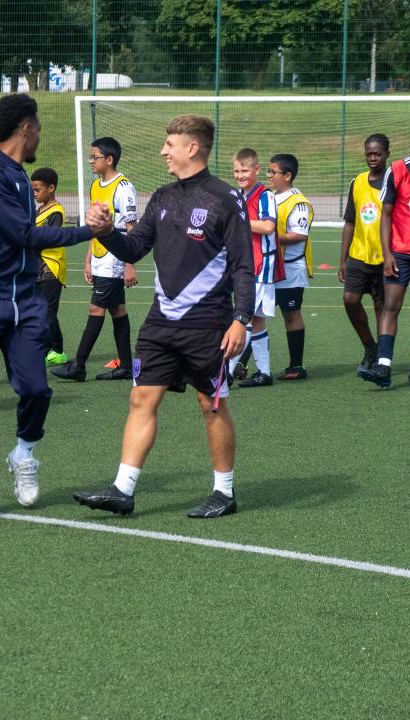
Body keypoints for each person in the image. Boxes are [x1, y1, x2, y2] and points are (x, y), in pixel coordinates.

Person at [73, 114, 253, 519]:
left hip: (208, 324)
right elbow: (134, 248)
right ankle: (123, 489)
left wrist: (241, 318)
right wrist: (104, 233)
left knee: (211, 403)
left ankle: (224, 493)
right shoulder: (163, 196)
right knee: (141, 397)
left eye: (169, 144)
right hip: (160, 323)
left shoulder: (226, 198)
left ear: (192, 148)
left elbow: (244, 265)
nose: (163, 151)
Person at [0, 94, 112, 522]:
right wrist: (87, 231)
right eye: (38, 126)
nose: (40, 133)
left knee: (37, 388)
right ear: (25, 128)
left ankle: (24, 453)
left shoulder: (21, 177)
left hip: (24, 299)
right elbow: (23, 234)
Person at [51, 136, 137, 382]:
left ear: (109, 159)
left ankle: (78, 365)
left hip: (115, 257)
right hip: (100, 255)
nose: (91, 161)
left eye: (95, 157)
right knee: (117, 310)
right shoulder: (96, 185)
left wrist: (129, 264)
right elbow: (94, 226)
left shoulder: (124, 187)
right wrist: (89, 259)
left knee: (96, 307)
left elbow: (132, 228)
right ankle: (127, 366)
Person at [360, 135, 410, 389]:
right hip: (399, 252)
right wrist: (387, 253)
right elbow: (386, 215)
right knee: (391, 305)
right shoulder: (397, 170)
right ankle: (383, 366)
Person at [229, 147, 280, 387]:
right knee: (257, 319)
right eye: (236, 171)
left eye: (245, 170)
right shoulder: (238, 195)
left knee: (243, 317)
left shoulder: (264, 195)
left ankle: (225, 372)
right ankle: (265, 373)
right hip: (245, 265)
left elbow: (268, 227)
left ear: (256, 170)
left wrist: (238, 223)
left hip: (260, 265)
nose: (240, 175)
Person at [340, 134, 389, 375]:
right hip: (359, 254)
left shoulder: (395, 182)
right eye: (369, 153)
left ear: (387, 154)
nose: (372, 157)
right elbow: (350, 221)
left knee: (381, 306)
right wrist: (343, 259)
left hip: (385, 256)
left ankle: (382, 357)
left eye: (377, 153)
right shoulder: (357, 182)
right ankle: (370, 346)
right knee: (350, 299)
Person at [269, 153, 313, 381]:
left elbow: (299, 235)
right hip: (268, 267)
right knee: (254, 314)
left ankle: (297, 365)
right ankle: (241, 365)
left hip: (289, 269)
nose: (269, 176)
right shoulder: (269, 197)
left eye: (273, 172)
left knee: (290, 314)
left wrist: (269, 235)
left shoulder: (299, 202)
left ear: (287, 175)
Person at [30, 167, 68, 367]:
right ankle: (55, 349)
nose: (34, 194)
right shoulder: (39, 210)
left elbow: (50, 237)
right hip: (37, 269)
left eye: (37, 190)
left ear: (51, 188)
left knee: (47, 312)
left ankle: (51, 350)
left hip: (51, 268)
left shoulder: (56, 211)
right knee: (43, 311)